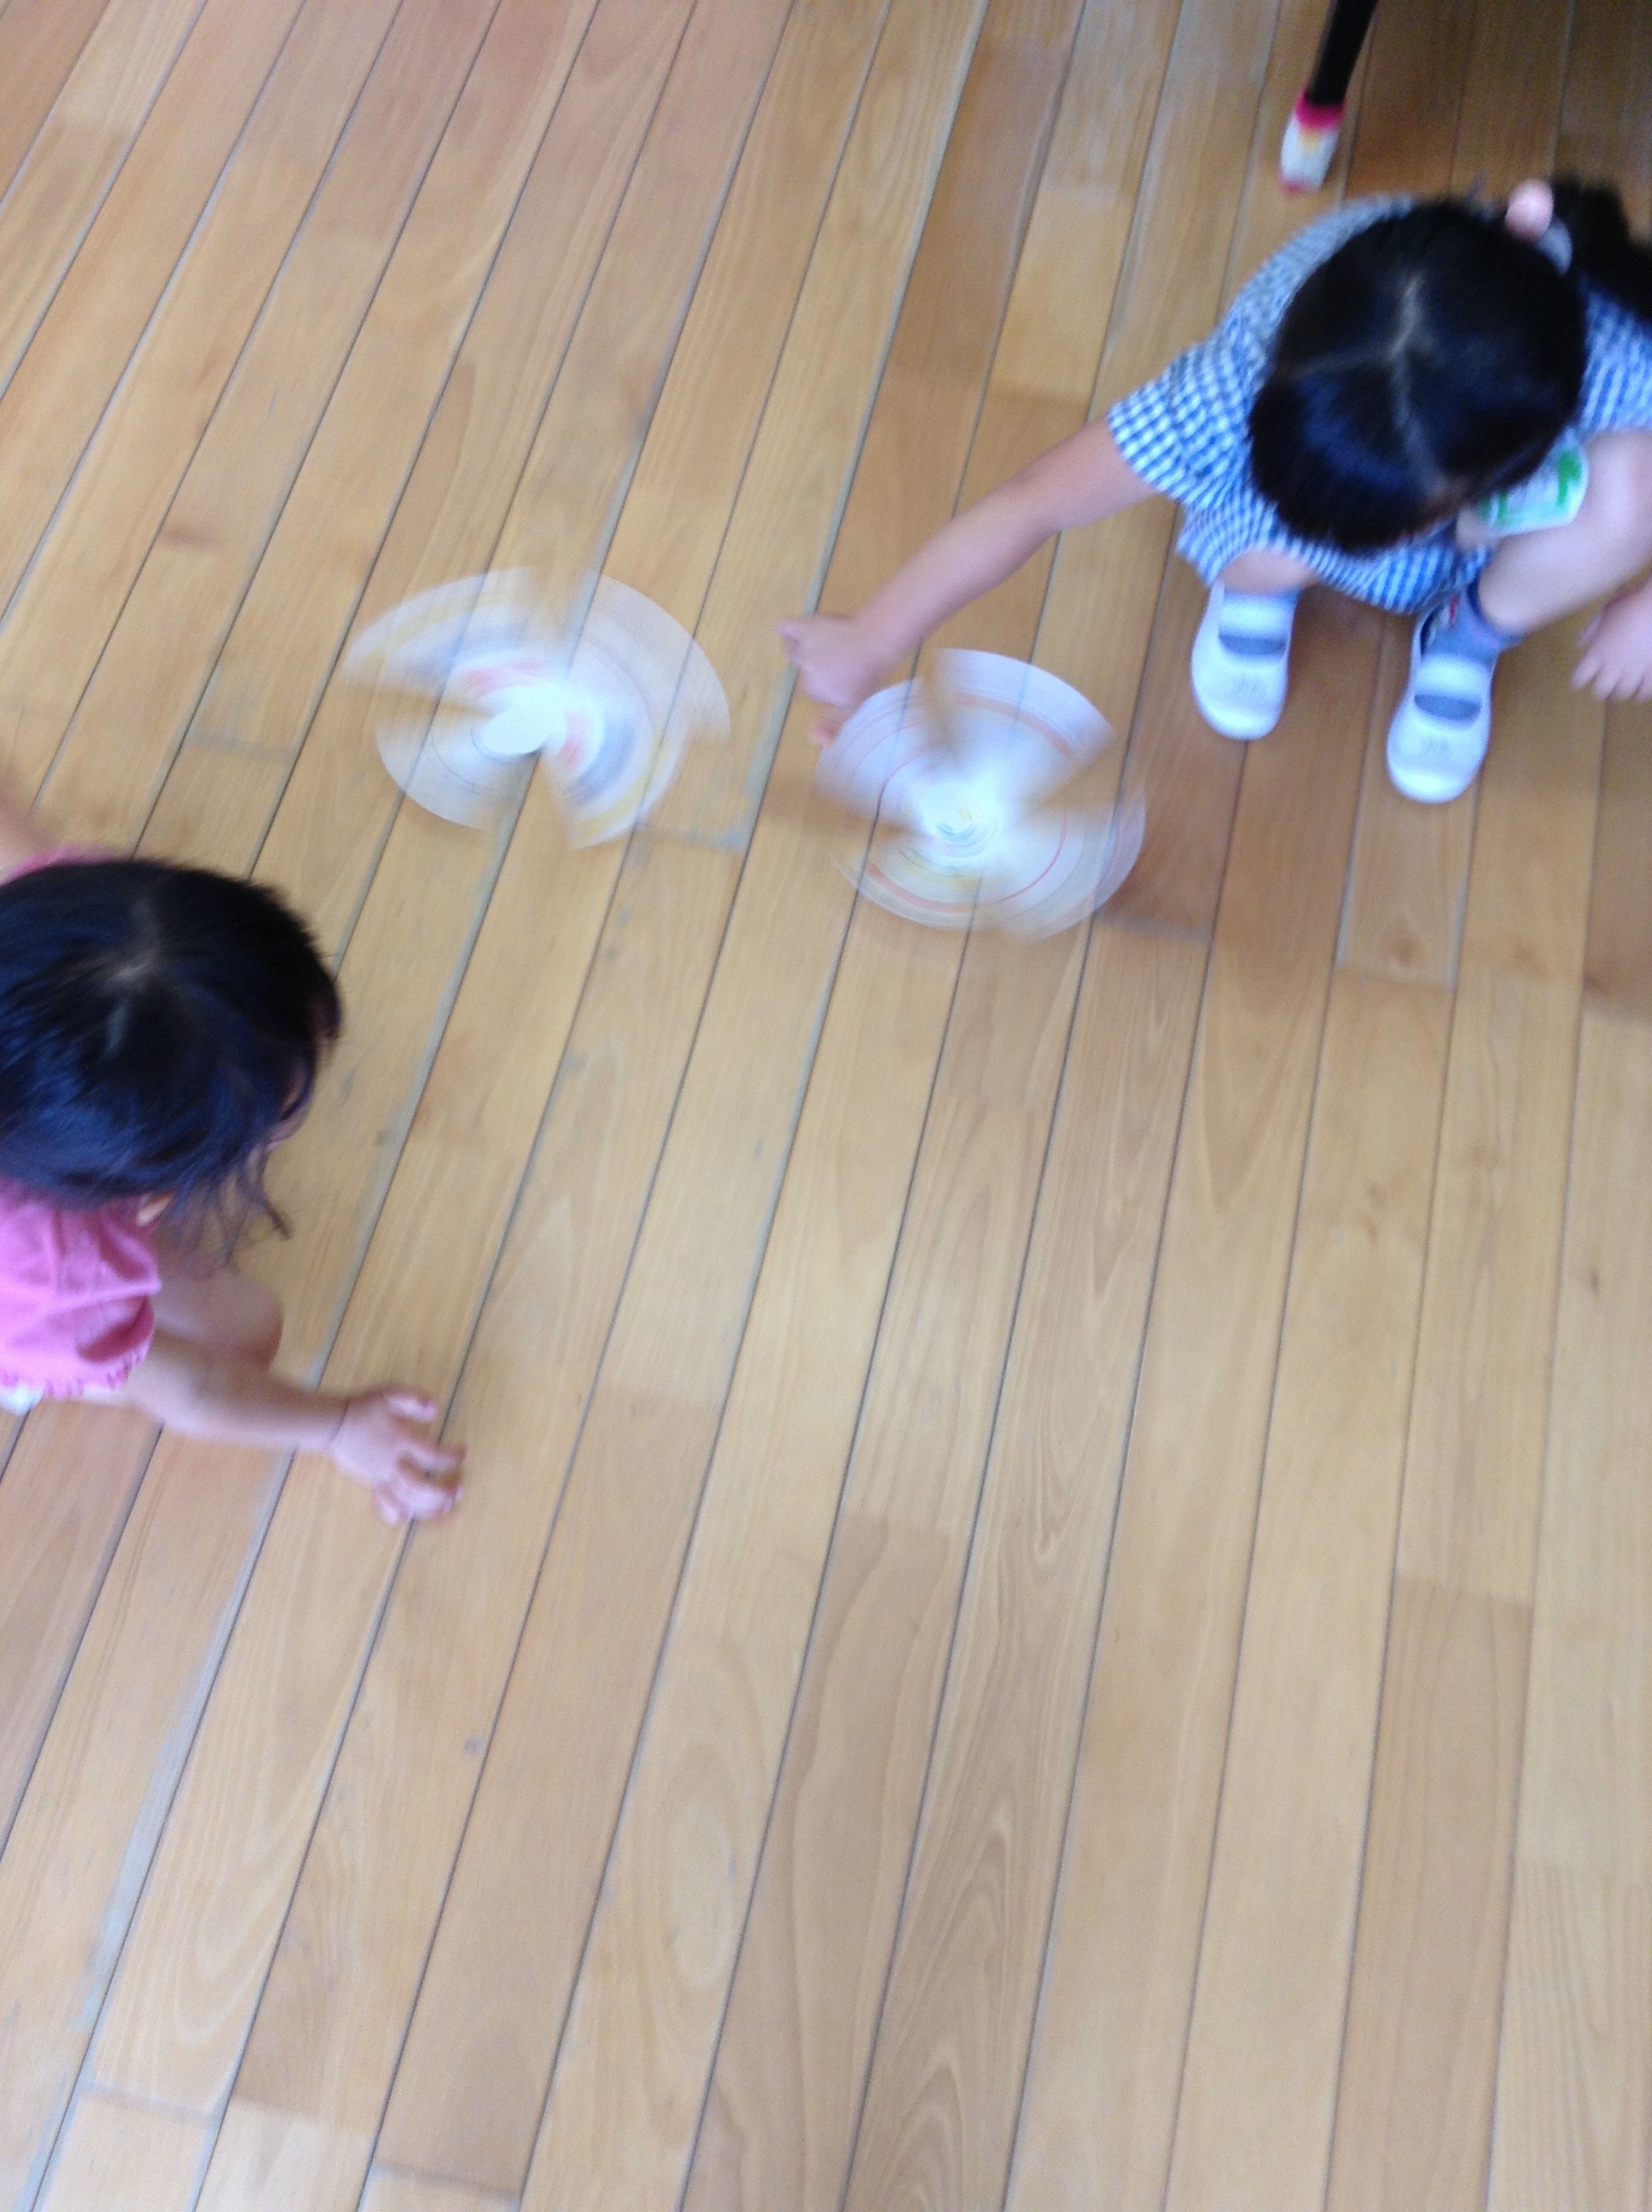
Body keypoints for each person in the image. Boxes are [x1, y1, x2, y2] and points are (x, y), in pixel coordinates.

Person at [782, 178, 1652, 806]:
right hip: (1374, 499)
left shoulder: (1619, 359)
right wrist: (877, 632)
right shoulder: (1229, 386)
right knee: (1273, 537)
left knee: (1631, 491)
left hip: (1496, 516)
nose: (1366, 553)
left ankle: (1467, 632)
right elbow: (1035, 500)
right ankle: (1257, 582)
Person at [0, 796, 462, 1526]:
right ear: (149, 1182)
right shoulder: (51, 1274)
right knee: (241, 1332)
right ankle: (36, 1369)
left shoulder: (58, 936)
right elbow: (194, 1389)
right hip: (20, 1302)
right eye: (273, 1116)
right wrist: (336, 1427)